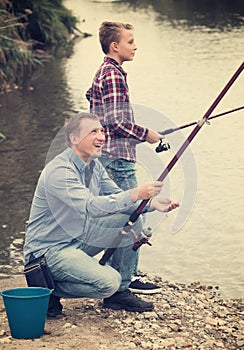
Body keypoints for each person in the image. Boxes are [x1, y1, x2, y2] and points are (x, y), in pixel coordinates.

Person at [23, 113, 179, 318]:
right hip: (48, 251)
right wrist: (135, 193)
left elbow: (117, 200)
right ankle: (48, 288)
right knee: (108, 282)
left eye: (102, 131)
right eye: (93, 132)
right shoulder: (60, 171)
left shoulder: (93, 165)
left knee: (132, 221)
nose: (102, 137)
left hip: (77, 238)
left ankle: (120, 294)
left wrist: (150, 204)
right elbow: (91, 207)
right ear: (74, 139)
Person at [86, 21, 163, 294]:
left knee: (123, 215)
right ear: (114, 46)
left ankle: (122, 276)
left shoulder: (103, 72)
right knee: (135, 214)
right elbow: (116, 121)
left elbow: (94, 103)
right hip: (117, 158)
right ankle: (123, 286)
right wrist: (146, 134)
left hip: (109, 155)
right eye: (130, 42)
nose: (135, 46)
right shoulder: (114, 74)